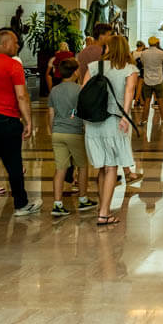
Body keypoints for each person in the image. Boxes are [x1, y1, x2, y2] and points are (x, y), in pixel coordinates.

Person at [0, 29, 40, 216]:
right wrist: (28, 121)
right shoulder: (13, 65)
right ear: (4, 44)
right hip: (7, 121)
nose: (18, 45)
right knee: (14, 164)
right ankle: (21, 204)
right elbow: (21, 95)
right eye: (15, 42)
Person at [82, 35, 139, 226]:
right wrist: (125, 117)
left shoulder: (94, 67)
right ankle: (104, 213)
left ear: (107, 48)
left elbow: (84, 94)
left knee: (102, 166)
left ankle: (102, 206)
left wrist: (84, 120)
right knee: (112, 166)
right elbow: (129, 94)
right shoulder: (130, 69)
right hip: (115, 121)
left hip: (94, 122)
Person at [47, 58, 98, 217]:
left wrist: (52, 129)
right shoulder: (80, 90)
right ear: (76, 72)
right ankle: (83, 199)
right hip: (74, 133)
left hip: (57, 133)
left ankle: (57, 204)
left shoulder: (54, 90)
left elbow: (51, 113)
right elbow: (84, 113)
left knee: (60, 168)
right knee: (82, 166)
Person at [140, 36, 163, 127]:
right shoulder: (161, 53)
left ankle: (144, 121)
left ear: (149, 43)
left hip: (147, 80)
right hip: (158, 80)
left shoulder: (144, 53)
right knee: (160, 101)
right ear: (157, 43)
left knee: (147, 102)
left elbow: (142, 63)